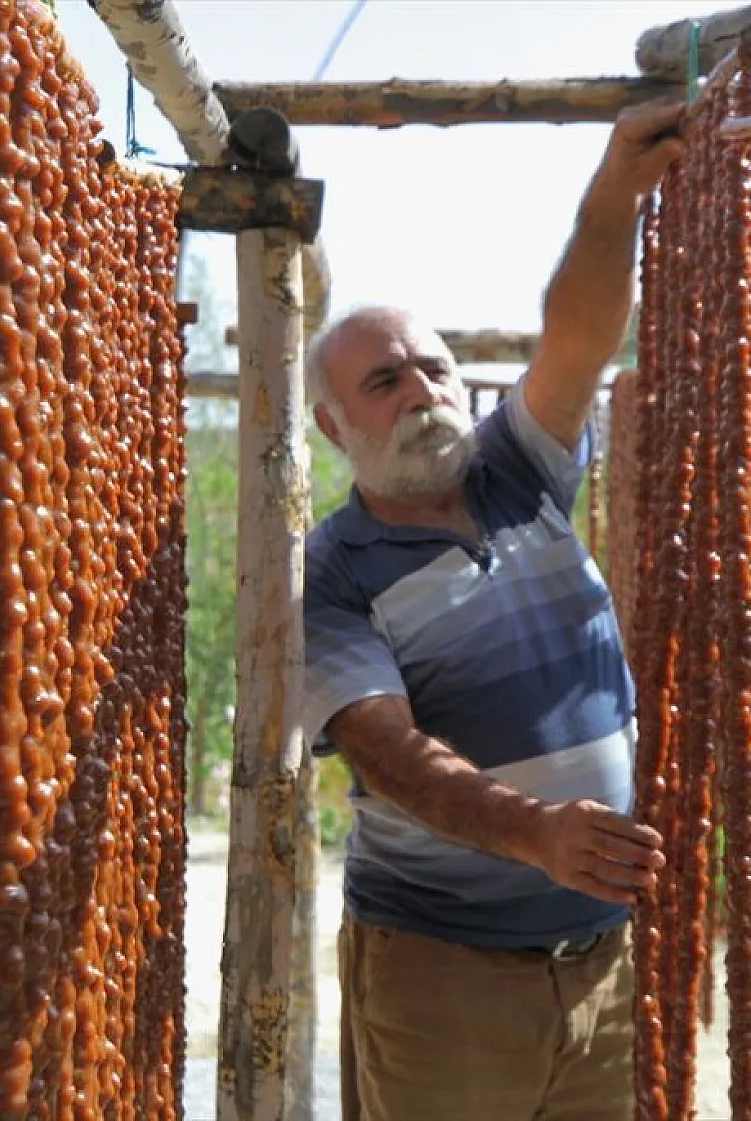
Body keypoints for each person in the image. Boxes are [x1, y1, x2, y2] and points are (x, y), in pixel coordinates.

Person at [300, 100, 686, 1121]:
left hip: (603, 955)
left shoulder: (519, 471)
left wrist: (612, 196)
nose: (421, 390)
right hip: (442, 976)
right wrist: (532, 832)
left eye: (432, 366)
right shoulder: (330, 570)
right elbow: (385, 750)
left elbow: (576, 336)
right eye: (383, 381)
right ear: (331, 424)